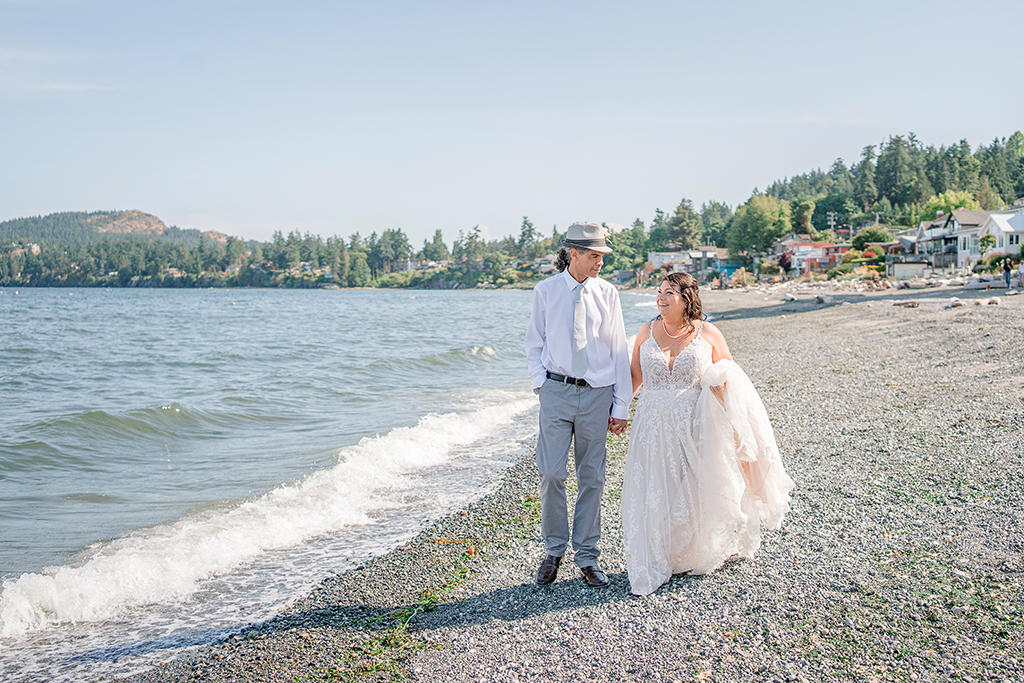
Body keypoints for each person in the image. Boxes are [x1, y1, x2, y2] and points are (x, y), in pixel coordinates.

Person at [621, 272, 794, 596]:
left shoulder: (709, 332)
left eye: (669, 292)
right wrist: (618, 412)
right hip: (651, 426)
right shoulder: (646, 331)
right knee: (657, 486)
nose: (661, 298)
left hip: (696, 423)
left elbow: (731, 376)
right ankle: (661, 553)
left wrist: (720, 384)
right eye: (659, 292)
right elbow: (635, 376)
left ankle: (695, 549)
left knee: (695, 486)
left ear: (687, 298)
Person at [524, 223, 631, 588]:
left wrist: (621, 405)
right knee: (552, 472)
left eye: (602, 256)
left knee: (593, 477)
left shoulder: (608, 294)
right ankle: (554, 551)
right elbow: (533, 341)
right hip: (555, 392)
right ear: (574, 255)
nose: (600, 262)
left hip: (597, 394)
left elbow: (619, 350)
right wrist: (540, 383)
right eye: (594, 255)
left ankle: (587, 556)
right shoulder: (546, 291)